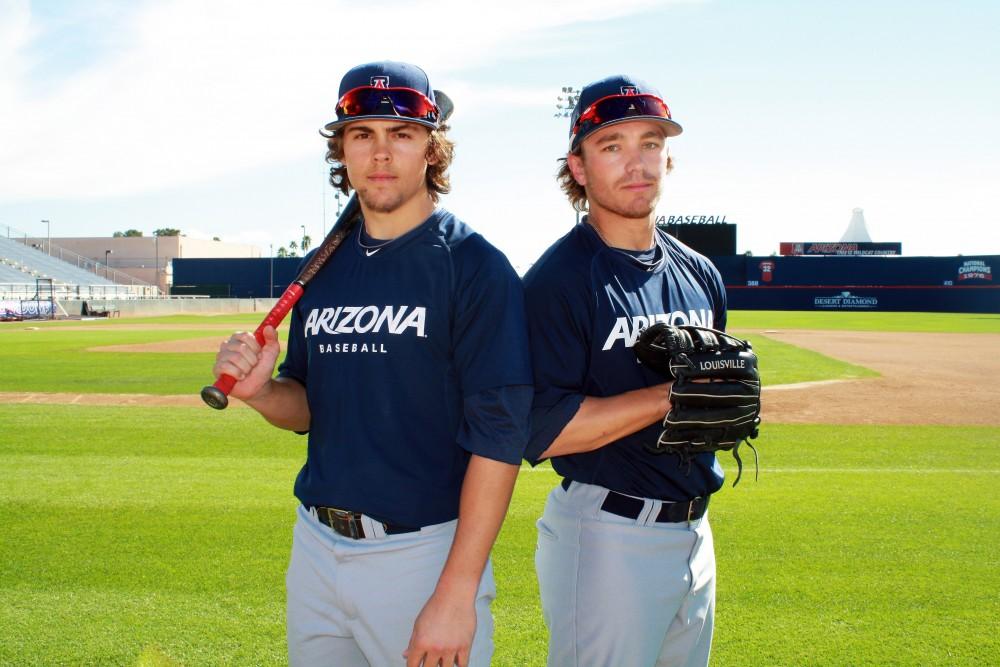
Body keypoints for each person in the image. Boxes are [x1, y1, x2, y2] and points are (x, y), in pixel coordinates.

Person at [212, 60, 532, 667]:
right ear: (343, 151)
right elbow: (306, 407)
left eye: (401, 134)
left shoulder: (474, 266)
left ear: (431, 150)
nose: (380, 154)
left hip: (421, 555)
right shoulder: (323, 267)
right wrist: (261, 391)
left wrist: (457, 591)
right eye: (363, 135)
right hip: (315, 547)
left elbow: (500, 437)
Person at [523, 75, 728, 667]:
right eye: (612, 146)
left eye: (650, 143)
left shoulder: (698, 272)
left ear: (669, 157)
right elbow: (545, 429)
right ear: (579, 167)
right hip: (609, 531)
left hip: (694, 528)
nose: (636, 163)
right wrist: (675, 393)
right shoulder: (557, 283)